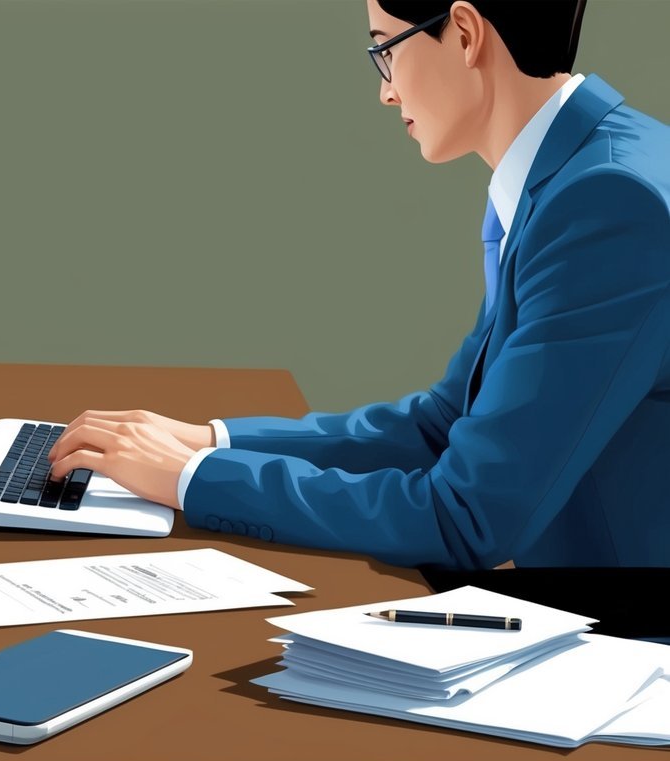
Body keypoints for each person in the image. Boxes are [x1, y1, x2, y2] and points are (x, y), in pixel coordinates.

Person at [47, 0, 670, 571]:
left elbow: (469, 518)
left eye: (386, 50)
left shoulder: (607, 204)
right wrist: (209, 441)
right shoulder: (577, 174)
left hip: (629, 650)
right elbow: (442, 426)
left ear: (464, 33)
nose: (385, 91)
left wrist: (193, 477)